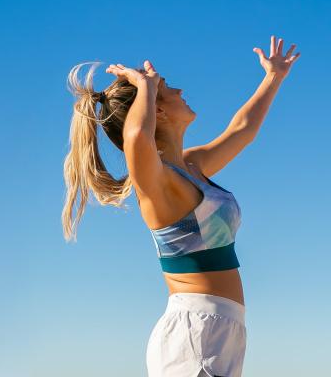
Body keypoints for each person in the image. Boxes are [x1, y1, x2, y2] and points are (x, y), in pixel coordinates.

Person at [61, 35, 301, 376]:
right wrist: (145, 86)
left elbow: (243, 130)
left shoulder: (191, 167)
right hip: (194, 332)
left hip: (222, 327)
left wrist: (273, 77)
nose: (180, 90)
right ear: (156, 109)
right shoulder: (157, 184)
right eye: (167, 88)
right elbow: (137, 139)